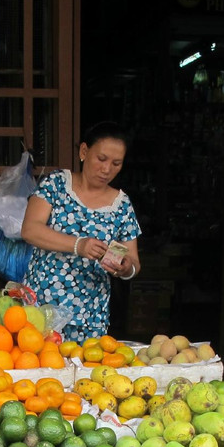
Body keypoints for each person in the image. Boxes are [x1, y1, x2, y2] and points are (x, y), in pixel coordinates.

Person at [21, 122, 141, 342]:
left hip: (90, 315)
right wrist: (79, 245)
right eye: (101, 159)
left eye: (116, 163)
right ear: (84, 151)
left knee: (85, 374)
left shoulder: (122, 205)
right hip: (42, 306)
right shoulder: (56, 185)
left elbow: (133, 262)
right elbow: (30, 229)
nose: (107, 170)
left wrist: (124, 268)